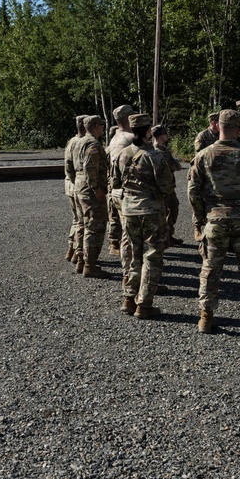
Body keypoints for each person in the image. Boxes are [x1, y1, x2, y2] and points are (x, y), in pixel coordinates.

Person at [188, 109, 240, 335]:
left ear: (219, 127)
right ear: (238, 129)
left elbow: (193, 192)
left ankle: (206, 317)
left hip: (215, 219)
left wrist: (200, 219)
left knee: (211, 269)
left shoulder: (204, 155)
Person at [113, 114, 176, 319]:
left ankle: (129, 298)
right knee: (152, 257)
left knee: (134, 254)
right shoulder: (154, 155)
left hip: (129, 210)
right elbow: (167, 186)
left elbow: (115, 182)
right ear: (148, 131)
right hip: (151, 211)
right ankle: (144, 304)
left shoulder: (122, 154)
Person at [73, 115, 109, 278]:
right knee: (94, 226)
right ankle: (90, 264)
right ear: (95, 126)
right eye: (101, 125)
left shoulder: (79, 141)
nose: (103, 128)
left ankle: (81, 260)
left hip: (79, 185)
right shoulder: (93, 144)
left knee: (84, 223)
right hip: (89, 189)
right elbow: (89, 167)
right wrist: (96, 189)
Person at [107, 104, 136, 257]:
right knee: (128, 225)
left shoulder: (115, 137)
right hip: (127, 186)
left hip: (114, 184)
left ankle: (113, 243)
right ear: (127, 118)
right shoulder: (129, 139)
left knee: (114, 217)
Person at [152, 124, 183, 246]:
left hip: (169, 187)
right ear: (160, 135)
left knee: (173, 209)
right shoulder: (157, 151)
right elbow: (174, 165)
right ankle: (163, 238)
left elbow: (177, 166)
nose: (167, 135)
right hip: (162, 188)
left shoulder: (164, 149)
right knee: (162, 214)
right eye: (165, 133)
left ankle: (169, 235)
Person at [63, 115, 88, 263]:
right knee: (82, 221)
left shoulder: (71, 141)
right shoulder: (83, 143)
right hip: (78, 185)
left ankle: (72, 249)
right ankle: (77, 252)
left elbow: (67, 164)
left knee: (76, 219)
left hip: (69, 185)